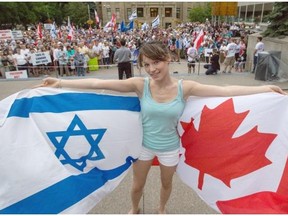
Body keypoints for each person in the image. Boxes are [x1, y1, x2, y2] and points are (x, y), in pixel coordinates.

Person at [38, 41, 286, 214]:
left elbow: (226, 91)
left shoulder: (184, 88)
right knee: (138, 185)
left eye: (156, 62)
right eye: (146, 64)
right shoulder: (140, 84)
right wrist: (60, 82)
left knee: (166, 184)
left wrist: (263, 89)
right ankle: (134, 209)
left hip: (170, 148)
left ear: (168, 59)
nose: (151, 69)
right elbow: (98, 82)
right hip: (144, 146)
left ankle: (162, 209)